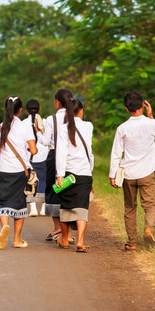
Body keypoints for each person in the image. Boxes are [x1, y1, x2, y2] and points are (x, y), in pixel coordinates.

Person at [109, 91, 155, 251]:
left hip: (128, 174)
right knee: (150, 205)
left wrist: (112, 174)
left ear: (126, 109)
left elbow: (116, 152)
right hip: (147, 172)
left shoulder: (122, 128)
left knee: (130, 207)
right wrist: (151, 115)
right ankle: (149, 229)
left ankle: (132, 243)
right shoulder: (153, 124)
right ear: (143, 105)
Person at [0, 96, 37, 249]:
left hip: (4, 171)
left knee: (4, 202)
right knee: (20, 204)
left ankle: (4, 228)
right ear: (20, 111)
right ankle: (17, 239)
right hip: (21, 171)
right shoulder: (25, 127)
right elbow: (33, 150)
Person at [54, 98, 94, 252]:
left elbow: (61, 153)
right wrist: (90, 172)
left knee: (66, 206)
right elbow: (89, 152)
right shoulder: (89, 126)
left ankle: (64, 239)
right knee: (82, 207)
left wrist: (60, 175)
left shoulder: (64, 129)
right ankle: (80, 241)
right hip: (84, 172)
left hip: (68, 173)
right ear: (81, 111)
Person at [42, 88, 73, 241]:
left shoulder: (51, 119)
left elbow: (45, 141)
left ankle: (57, 228)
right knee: (69, 190)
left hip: (54, 156)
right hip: (72, 157)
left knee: (53, 190)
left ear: (57, 102)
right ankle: (69, 232)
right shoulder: (76, 117)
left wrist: (38, 131)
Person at [22, 99, 49, 217]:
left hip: (29, 157)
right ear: (40, 109)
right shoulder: (46, 122)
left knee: (30, 181)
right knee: (44, 180)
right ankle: (44, 207)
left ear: (26, 111)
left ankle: (32, 208)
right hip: (43, 156)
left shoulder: (23, 123)